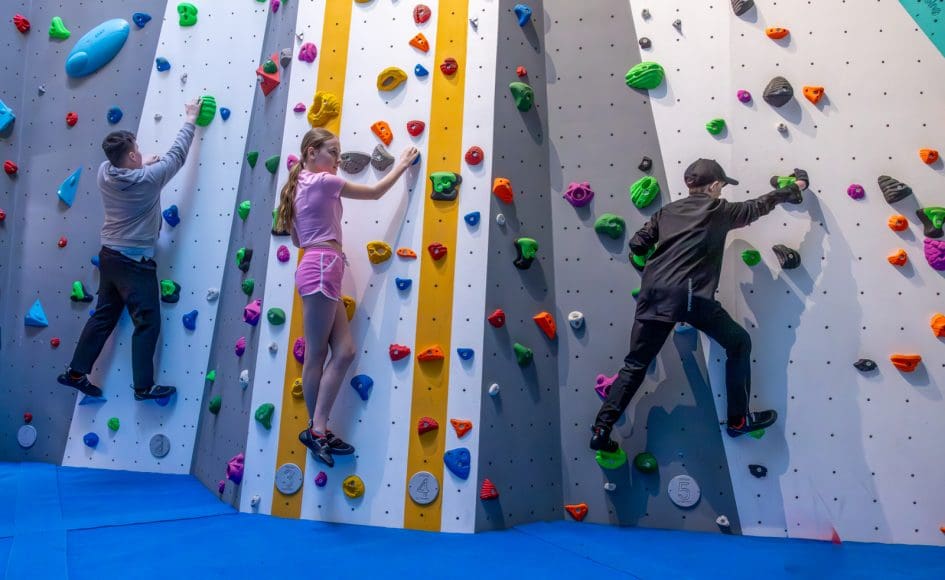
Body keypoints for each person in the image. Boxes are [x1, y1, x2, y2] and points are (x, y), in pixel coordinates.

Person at [589, 159, 810, 452]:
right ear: (716, 185)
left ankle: (601, 430)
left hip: (653, 295)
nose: (721, 192)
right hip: (691, 297)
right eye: (721, 187)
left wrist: (652, 271)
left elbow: (637, 245)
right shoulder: (718, 211)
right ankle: (738, 421)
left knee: (635, 365)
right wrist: (795, 188)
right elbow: (759, 205)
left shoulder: (666, 212)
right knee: (739, 343)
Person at [274, 128, 418, 467]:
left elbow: (296, 240)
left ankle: (317, 428)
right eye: (332, 152)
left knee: (344, 350)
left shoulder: (298, 188)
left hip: (321, 265)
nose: (338, 160)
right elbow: (376, 192)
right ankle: (318, 428)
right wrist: (402, 164)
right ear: (311, 151)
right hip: (323, 266)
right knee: (317, 352)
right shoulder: (322, 182)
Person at [57, 98, 202, 401]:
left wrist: (142, 161)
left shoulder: (104, 172)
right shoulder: (148, 180)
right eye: (137, 151)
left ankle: (75, 372)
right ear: (133, 156)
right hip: (134, 263)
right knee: (147, 322)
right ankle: (143, 387)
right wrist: (190, 118)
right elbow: (177, 156)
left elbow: (133, 170)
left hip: (110, 256)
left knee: (103, 317)